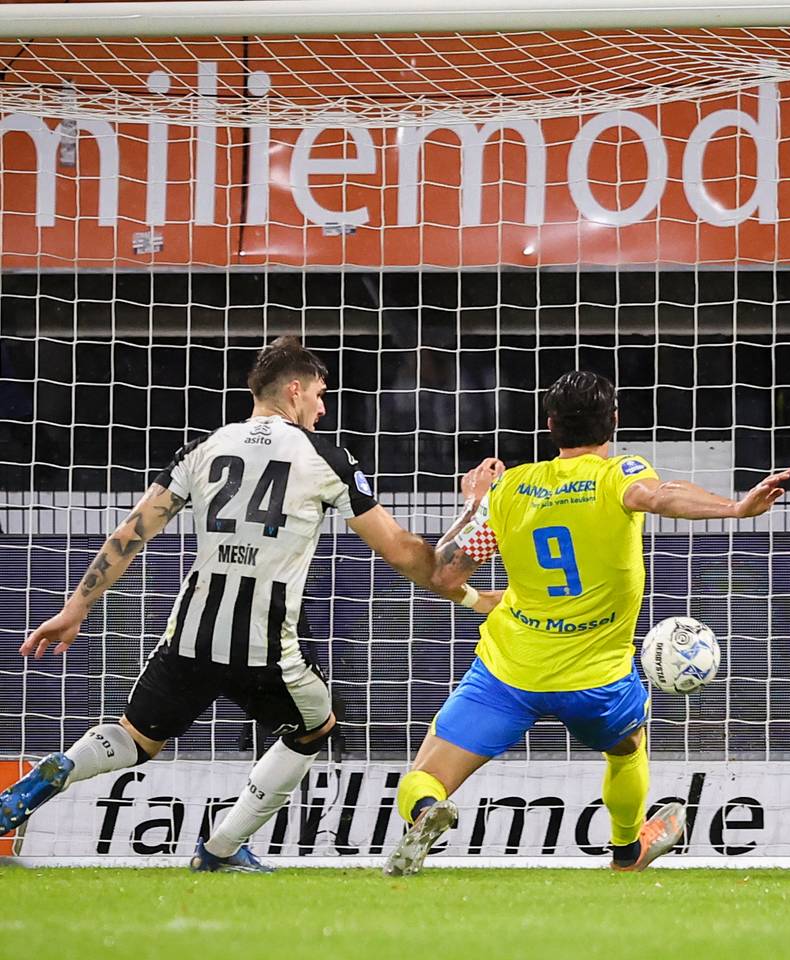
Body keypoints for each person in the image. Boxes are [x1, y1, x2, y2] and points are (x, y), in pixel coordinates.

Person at [0, 336, 486, 871]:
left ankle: (63, 767)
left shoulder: (204, 447)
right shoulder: (325, 458)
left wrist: (76, 607)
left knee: (135, 737)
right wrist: (468, 518)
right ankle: (221, 849)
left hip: (190, 632)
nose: (323, 409)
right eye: (320, 395)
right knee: (314, 729)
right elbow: (404, 554)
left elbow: (132, 531)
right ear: (295, 391)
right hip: (265, 644)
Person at [384, 370, 790, 876]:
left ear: (550, 425)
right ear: (613, 423)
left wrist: (475, 504)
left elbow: (445, 574)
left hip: (509, 673)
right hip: (595, 682)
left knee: (427, 774)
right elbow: (660, 494)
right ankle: (626, 850)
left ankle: (426, 813)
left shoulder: (511, 489)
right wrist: (734, 508)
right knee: (628, 747)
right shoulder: (618, 475)